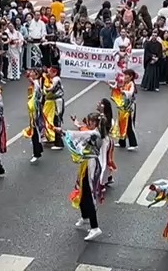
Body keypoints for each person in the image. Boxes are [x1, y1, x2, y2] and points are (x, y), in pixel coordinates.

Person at [63, 111, 106, 242]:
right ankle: (85, 215)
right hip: (87, 164)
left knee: (89, 194)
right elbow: (83, 131)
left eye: (90, 121)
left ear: (95, 122)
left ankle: (95, 227)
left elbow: (80, 134)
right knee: (83, 191)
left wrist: (63, 132)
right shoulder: (96, 132)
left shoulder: (95, 134)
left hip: (91, 166)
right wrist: (76, 123)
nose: (88, 123)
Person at [110, 69, 138, 149]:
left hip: (129, 107)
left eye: (127, 75)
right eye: (124, 75)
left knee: (129, 124)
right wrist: (113, 87)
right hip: (122, 106)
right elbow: (119, 90)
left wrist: (124, 92)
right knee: (121, 123)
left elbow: (130, 93)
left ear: (131, 76)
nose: (125, 77)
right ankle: (122, 142)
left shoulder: (131, 84)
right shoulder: (124, 83)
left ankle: (133, 144)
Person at [23, 68, 45, 163]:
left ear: (36, 74)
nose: (30, 73)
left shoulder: (36, 83)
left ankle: (36, 153)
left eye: (32, 72)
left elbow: (37, 97)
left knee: (34, 131)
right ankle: (38, 149)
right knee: (35, 131)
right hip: (33, 110)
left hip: (35, 110)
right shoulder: (34, 83)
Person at [43, 65, 64, 150]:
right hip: (54, 101)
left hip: (57, 101)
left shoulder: (56, 79)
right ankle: (52, 138)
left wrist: (44, 88)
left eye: (50, 71)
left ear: (55, 72)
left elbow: (50, 89)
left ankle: (59, 143)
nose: (49, 73)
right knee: (51, 120)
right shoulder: (53, 79)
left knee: (56, 120)